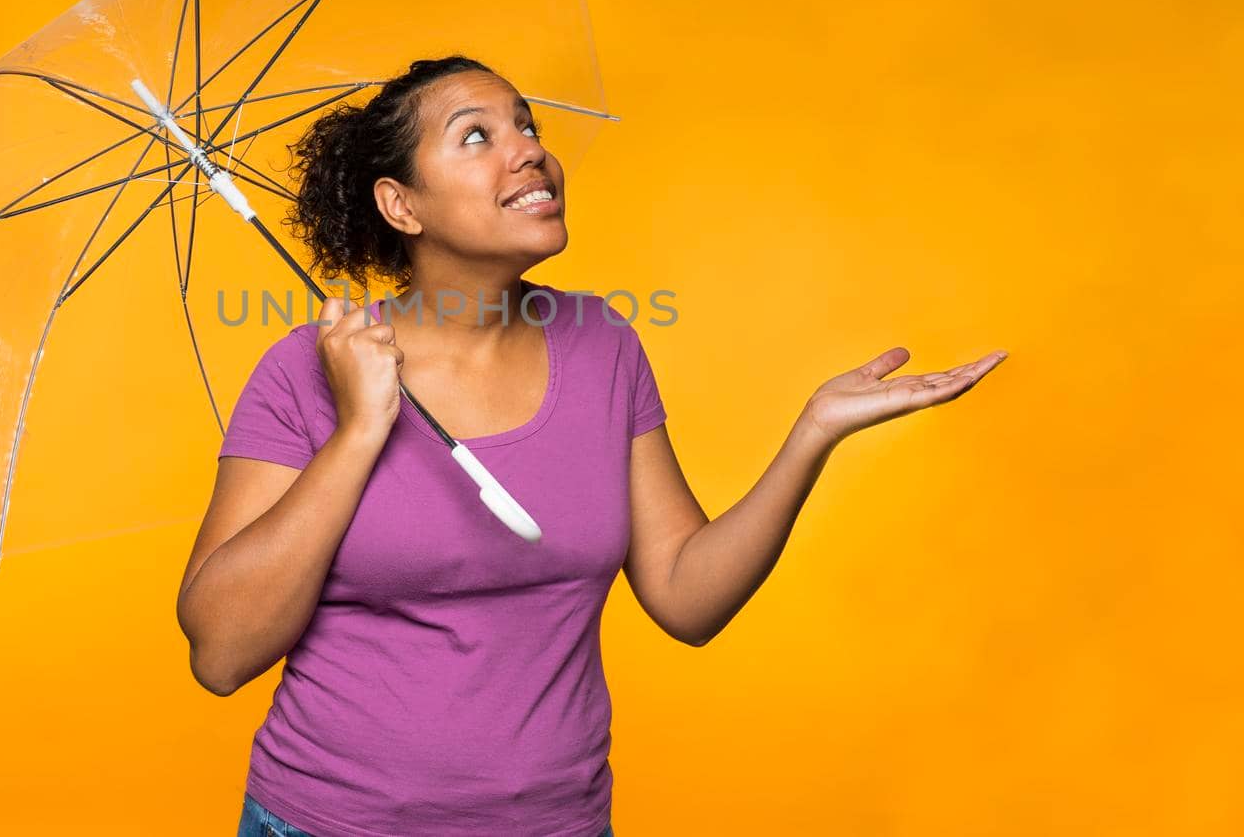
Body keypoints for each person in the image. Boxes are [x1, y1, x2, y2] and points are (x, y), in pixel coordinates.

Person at [176, 56, 1007, 837]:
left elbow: (687, 598)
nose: (529, 152)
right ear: (402, 205)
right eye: (478, 136)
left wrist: (813, 433)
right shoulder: (308, 371)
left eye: (527, 126)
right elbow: (221, 653)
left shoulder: (600, 345)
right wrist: (359, 429)